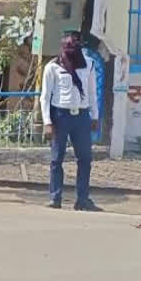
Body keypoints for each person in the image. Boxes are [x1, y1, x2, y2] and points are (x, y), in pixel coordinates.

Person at [41, 34, 100, 211]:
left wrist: (94, 116)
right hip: (60, 116)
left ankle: (82, 200)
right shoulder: (53, 67)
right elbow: (45, 97)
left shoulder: (89, 64)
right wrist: (47, 122)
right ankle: (55, 198)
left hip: (81, 116)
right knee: (56, 159)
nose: (71, 53)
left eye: (74, 49)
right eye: (68, 49)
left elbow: (92, 92)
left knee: (85, 159)